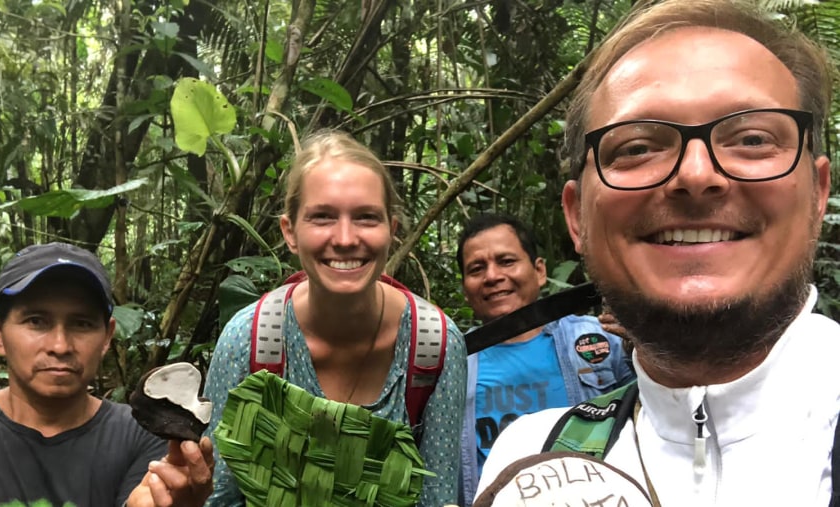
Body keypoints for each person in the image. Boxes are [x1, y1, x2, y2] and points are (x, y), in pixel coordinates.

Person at [476, 0, 837, 505]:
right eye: (638, 148)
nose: (696, 175)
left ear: (817, 194)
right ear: (577, 217)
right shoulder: (532, 466)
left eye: (752, 139)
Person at [203, 130, 467, 506]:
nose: (345, 238)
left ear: (392, 231)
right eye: (323, 217)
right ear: (290, 232)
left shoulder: (433, 344)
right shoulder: (251, 339)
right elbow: (220, 497)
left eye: (366, 218)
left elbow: (437, 499)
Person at [0, 242, 214, 507]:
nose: (60, 346)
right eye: (36, 321)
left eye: (82, 324)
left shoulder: (145, 435)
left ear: (107, 337)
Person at [456, 213, 635, 505]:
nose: (492, 276)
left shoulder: (601, 339)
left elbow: (655, 412)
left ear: (539, 271)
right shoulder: (454, 364)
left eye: (506, 261)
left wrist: (643, 346)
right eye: (477, 268)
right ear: (465, 289)